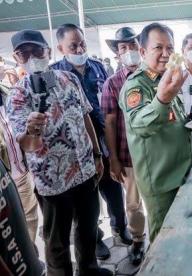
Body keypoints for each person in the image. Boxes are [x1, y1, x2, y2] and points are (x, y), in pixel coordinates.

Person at [7, 29, 112, 276]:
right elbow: (27, 145)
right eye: (25, 53)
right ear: (16, 58)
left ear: (49, 51)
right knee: (57, 241)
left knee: (87, 228)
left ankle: (89, 269)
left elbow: (86, 115)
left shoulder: (69, 79)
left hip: (85, 171)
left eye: (38, 51)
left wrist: (97, 155)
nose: (33, 57)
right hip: (53, 183)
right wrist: (33, 130)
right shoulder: (18, 95)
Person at [51, 23, 129, 260]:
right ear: (61, 48)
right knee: (87, 198)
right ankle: (95, 239)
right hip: (77, 147)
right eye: (73, 45)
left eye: (82, 43)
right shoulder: (56, 74)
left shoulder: (98, 68)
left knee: (114, 188)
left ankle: (120, 227)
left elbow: (109, 104)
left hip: (105, 139)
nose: (79, 48)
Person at [119, 22, 192, 243]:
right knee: (163, 242)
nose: (165, 54)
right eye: (158, 48)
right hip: (161, 181)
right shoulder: (136, 86)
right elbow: (141, 125)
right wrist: (162, 99)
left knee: (180, 236)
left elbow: (172, 117)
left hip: (180, 172)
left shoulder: (165, 77)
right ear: (142, 52)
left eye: (169, 48)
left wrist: (186, 123)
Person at [102, 26, 146, 265]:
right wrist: (114, 158)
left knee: (157, 198)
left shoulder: (152, 76)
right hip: (128, 155)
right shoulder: (112, 83)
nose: (129, 51)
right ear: (117, 53)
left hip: (154, 153)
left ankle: (161, 234)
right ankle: (138, 240)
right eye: (123, 48)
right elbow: (109, 121)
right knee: (133, 203)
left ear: (140, 48)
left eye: (132, 46)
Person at [0, 83, 38, 243]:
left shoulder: (7, 91)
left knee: (30, 217)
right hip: (3, 179)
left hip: (20, 170)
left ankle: (30, 258)